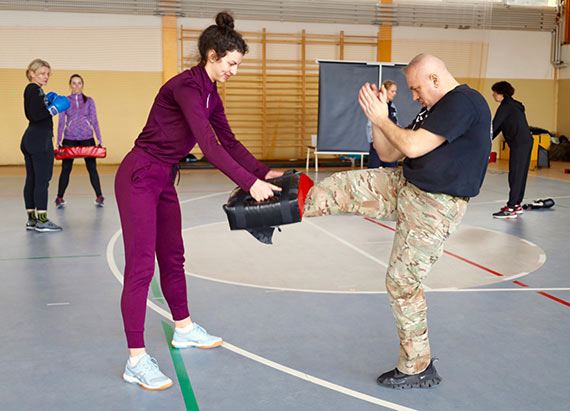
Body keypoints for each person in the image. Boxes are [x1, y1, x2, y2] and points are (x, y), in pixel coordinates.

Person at [115, 12, 283, 391]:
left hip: (164, 178)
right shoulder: (186, 89)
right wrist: (248, 183)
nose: (234, 72)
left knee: (173, 257)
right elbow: (208, 146)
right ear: (212, 55)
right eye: (232, 64)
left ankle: (184, 329)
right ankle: (136, 360)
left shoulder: (210, 93)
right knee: (141, 267)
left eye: (237, 65)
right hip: (140, 175)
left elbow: (230, 140)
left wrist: (264, 172)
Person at [303, 54, 491, 388]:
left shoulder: (464, 102)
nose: (415, 96)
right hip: (406, 184)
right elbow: (391, 153)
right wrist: (376, 119)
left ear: (434, 79)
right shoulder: (433, 108)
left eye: (417, 89)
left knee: (402, 282)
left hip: (435, 204)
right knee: (345, 187)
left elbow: (414, 146)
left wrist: (383, 118)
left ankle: (417, 366)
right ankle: (273, 209)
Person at [21, 59, 69, 232]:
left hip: (31, 138)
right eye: (42, 73)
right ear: (32, 73)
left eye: (48, 74)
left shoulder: (35, 91)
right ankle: (42, 220)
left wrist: (47, 102)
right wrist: (54, 108)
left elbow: (37, 113)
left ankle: (32, 220)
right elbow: (35, 115)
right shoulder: (33, 89)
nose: (46, 76)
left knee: (32, 179)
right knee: (42, 180)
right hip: (39, 139)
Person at [55, 74, 104, 208]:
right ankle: (59, 198)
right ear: (70, 85)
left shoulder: (89, 101)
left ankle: (100, 197)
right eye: (74, 83)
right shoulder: (64, 101)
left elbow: (94, 120)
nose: (76, 86)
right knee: (66, 169)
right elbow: (61, 122)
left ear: (82, 85)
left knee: (92, 168)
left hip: (87, 138)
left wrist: (99, 138)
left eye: (79, 83)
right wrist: (58, 140)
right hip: (69, 139)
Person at [491, 81, 533, 219]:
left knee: (516, 175)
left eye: (495, 92)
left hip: (520, 144)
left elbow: (494, 126)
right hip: (524, 142)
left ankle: (511, 207)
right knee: (519, 174)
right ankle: (516, 205)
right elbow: (499, 127)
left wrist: (483, 140)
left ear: (501, 93)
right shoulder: (515, 105)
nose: (493, 95)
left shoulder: (505, 107)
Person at [367, 80, 399, 168]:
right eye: (392, 91)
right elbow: (371, 124)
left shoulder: (392, 106)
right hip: (378, 143)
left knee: (391, 171)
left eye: (395, 91)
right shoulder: (377, 104)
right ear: (385, 91)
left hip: (390, 144)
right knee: (373, 171)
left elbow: (395, 123)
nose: (395, 93)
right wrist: (373, 140)